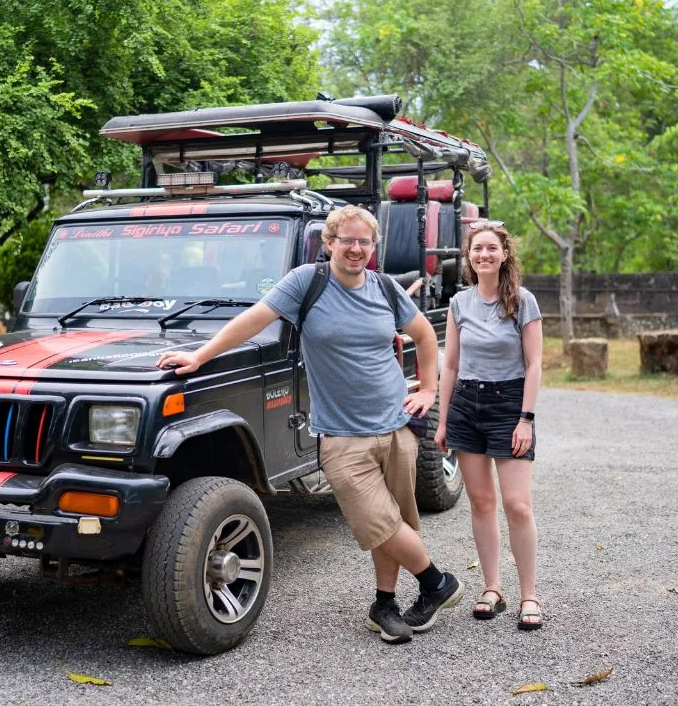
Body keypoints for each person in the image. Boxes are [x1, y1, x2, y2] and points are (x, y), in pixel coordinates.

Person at [156, 205, 462, 644]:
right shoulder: (307, 283)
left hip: (395, 425)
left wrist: (428, 390)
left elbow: (426, 335)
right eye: (348, 240)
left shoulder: (384, 288)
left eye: (364, 242)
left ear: (373, 248)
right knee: (378, 522)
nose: (356, 249)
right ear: (330, 242)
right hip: (342, 436)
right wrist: (201, 355)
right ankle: (438, 583)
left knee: (394, 519)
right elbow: (253, 320)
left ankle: (385, 603)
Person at [436, 220, 544, 631]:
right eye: (476, 249)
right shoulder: (459, 303)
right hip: (466, 406)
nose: (483, 255)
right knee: (481, 504)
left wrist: (526, 420)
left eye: (491, 249)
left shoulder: (522, 301)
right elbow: (450, 364)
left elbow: (534, 364)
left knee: (517, 504)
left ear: (504, 255)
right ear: (468, 257)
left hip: (508, 406)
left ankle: (529, 595)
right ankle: (492, 589)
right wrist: (444, 420)